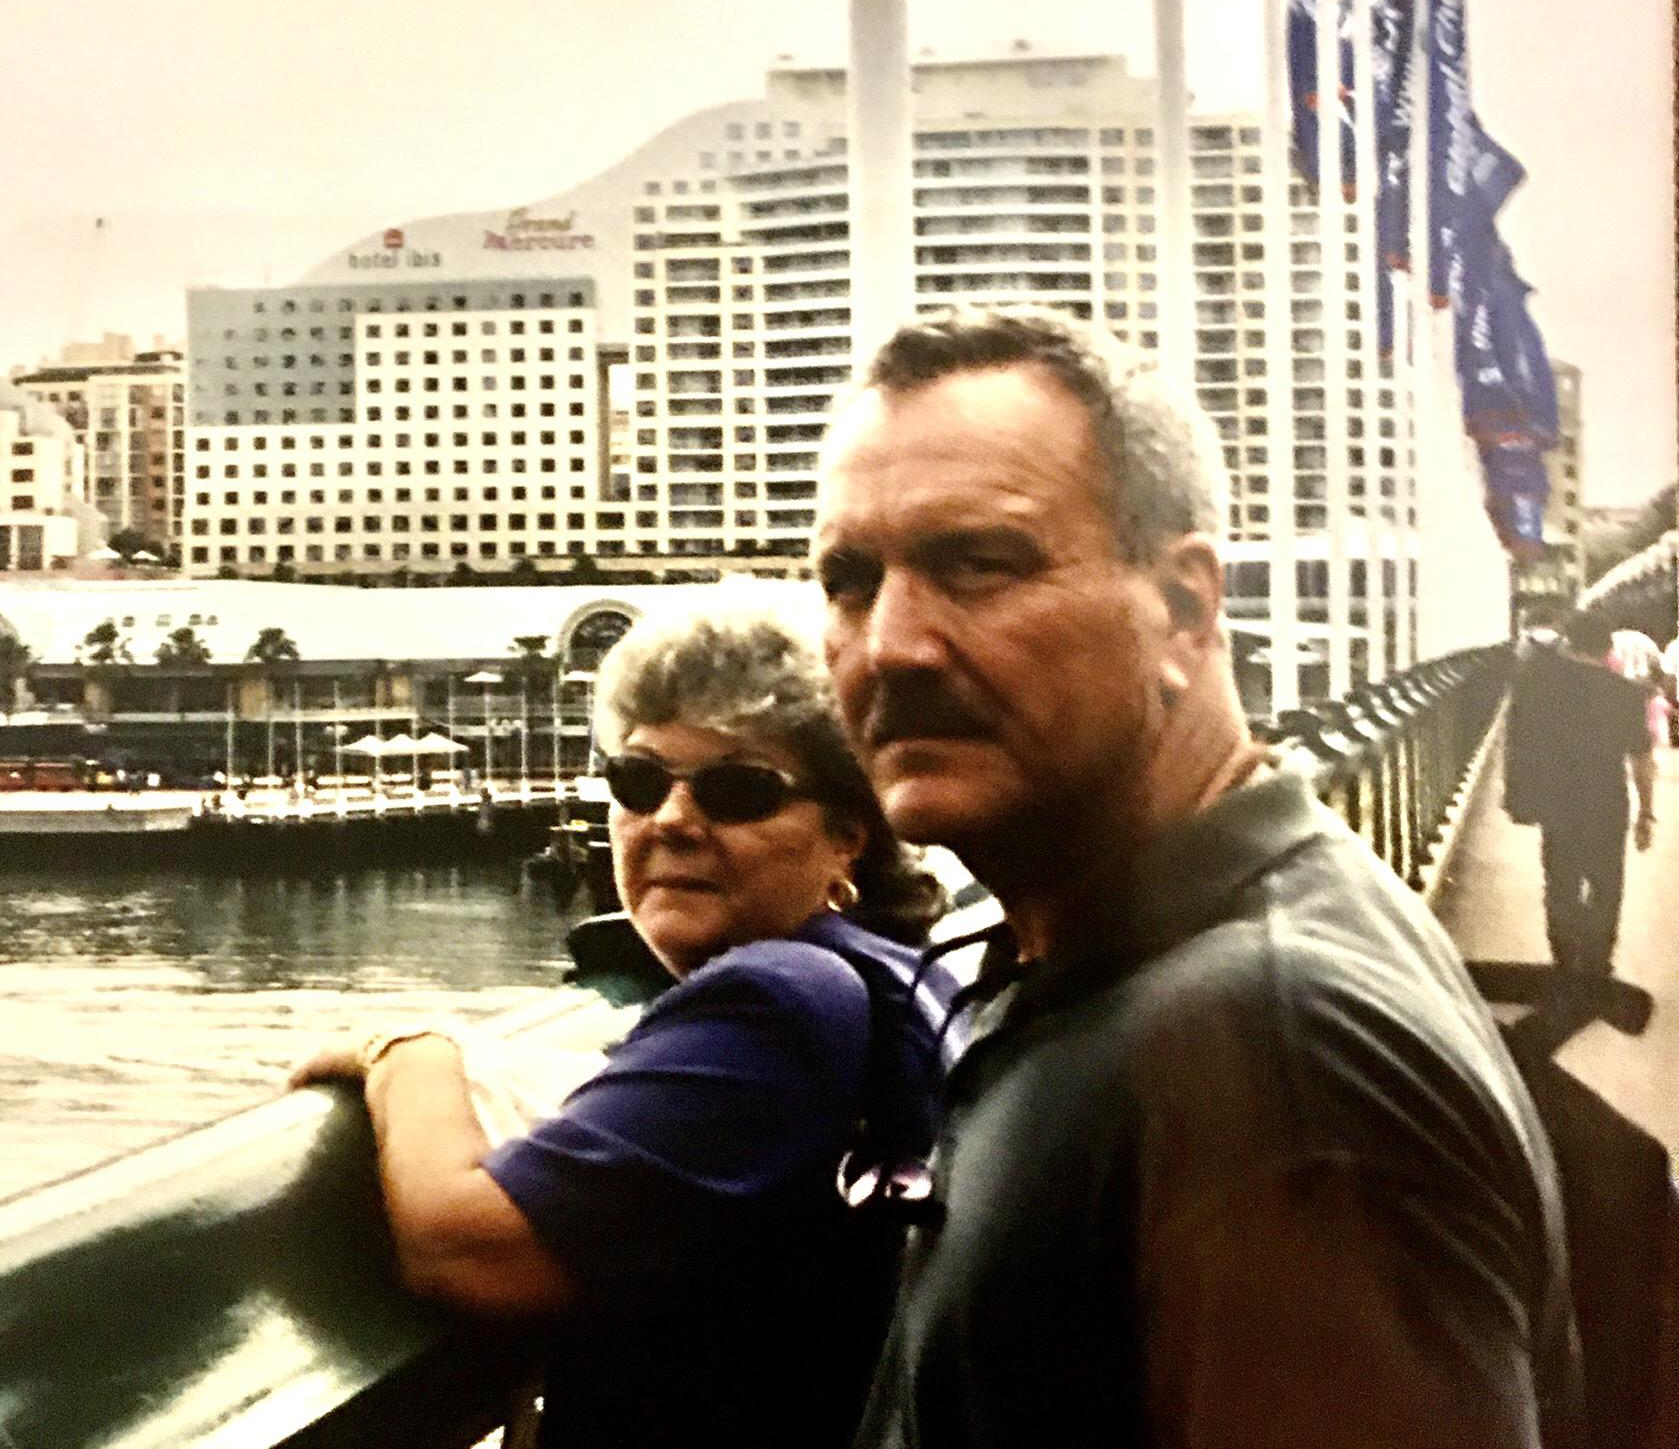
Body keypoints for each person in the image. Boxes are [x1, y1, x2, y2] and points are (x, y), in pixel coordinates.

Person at [812, 305, 1584, 1449]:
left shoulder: (1278, 1060)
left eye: (976, 564)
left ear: (1182, 607)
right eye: (847, 580)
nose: (890, 644)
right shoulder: (1115, 955)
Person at [290, 582, 951, 1449]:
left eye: (738, 789)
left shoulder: (779, 995)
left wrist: (408, 1052)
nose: (670, 818)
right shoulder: (902, 977)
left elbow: (470, 1252)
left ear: (847, 834)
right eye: (637, 780)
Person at [1507, 613, 1657, 983]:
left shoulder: (1544, 690)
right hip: (1607, 801)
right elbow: (1642, 760)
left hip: (1558, 801)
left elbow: (1523, 745)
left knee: (1560, 881)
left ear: (1568, 645)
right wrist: (1646, 813)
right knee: (1607, 884)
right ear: (1608, 648)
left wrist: (1519, 796)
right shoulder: (1626, 693)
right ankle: (1596, 963)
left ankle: (1565, 958)